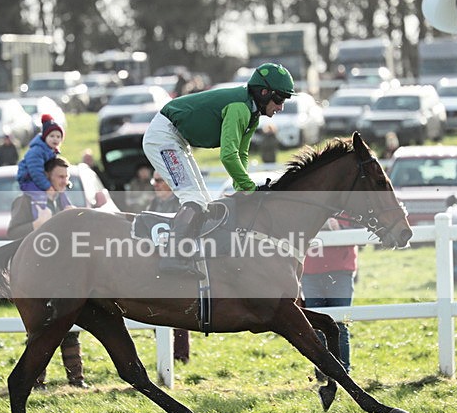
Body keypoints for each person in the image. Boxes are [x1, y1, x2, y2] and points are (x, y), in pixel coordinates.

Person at [142, 62, 294, 277]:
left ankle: (188, 253)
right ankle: (172, 257)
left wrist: (243, 187)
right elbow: (228, 155)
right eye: (279, 99)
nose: (281, 107)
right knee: (193, 199)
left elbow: (241, 154)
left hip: (176, 139)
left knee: (203, 202)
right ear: (263, 92)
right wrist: (249, 187)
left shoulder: (252, 113)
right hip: (163, 136)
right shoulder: (240, 108)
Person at [7, 157, 89, 389]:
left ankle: (76, 379)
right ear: (47, 177)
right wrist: (36, 226)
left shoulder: (65, 202)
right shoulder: (25, 202)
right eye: (60, 177)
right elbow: (12, 233)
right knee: (39, 329)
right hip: (35, 276)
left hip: (64, 274)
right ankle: (36, 381)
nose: (65, 182)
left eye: (67, 177)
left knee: (70, 326)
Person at [301, 217, 357, 376]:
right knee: (316, 325)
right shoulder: (308, 203)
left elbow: (364, 232)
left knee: (339, 323)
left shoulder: (349, 205)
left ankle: (342, 372)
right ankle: (322, 372)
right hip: (310, 272)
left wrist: (340, 228)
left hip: (340, 271)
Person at [146, 171, 190, 363]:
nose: (155, 184)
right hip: (158, 262)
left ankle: (180, 356)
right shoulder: (155, 203)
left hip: (178, 263)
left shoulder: (181, 204)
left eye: (159, 180)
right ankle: (166, 355)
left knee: (179, 310)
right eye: (154, 180)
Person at [17, 114, 65, 219]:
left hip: (40, 180)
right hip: (29, 179)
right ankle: (40, 218)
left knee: (60, 195)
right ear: (45, 137)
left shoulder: (52, 151)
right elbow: (36, 172)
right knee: (39, 197)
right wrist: (47, 187)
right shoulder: (37, 151)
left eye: (58, 137)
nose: (55, 139)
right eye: (52, 136)